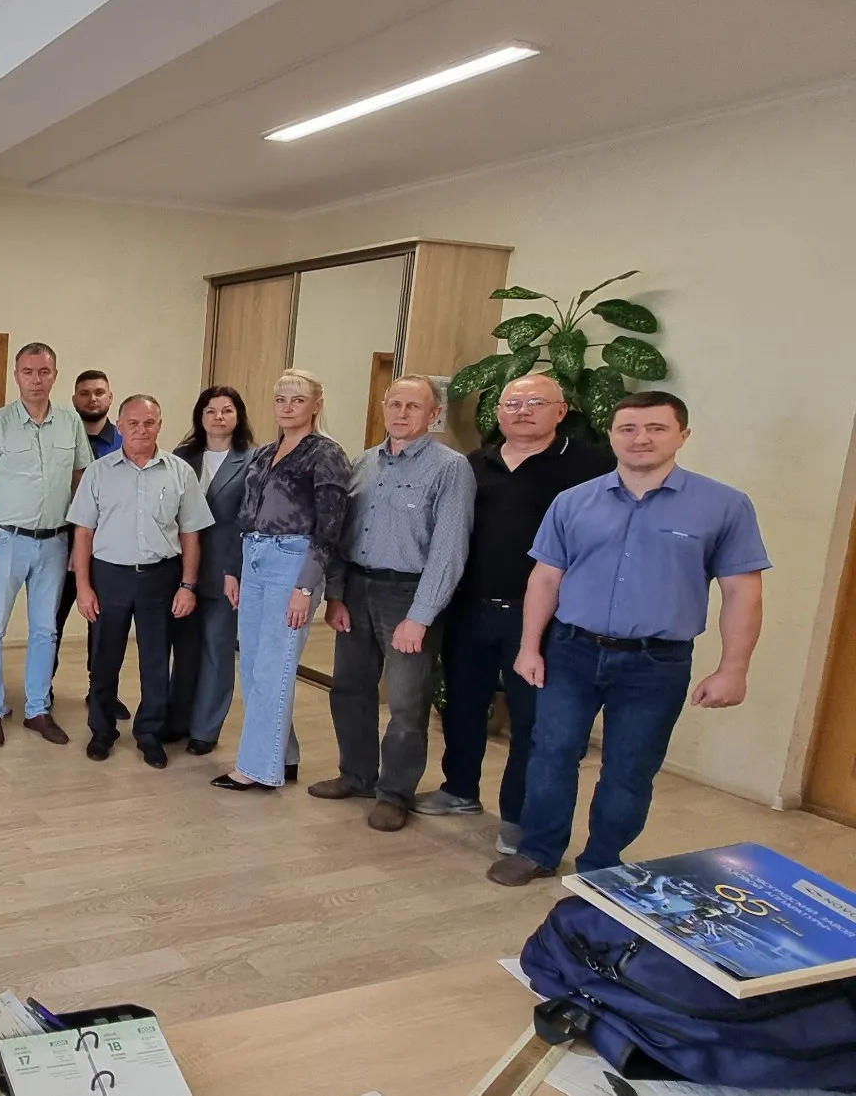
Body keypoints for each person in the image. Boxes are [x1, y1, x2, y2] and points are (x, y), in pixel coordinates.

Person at [488, 392, 769, 886]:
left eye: (656, 428)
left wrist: (733, 669)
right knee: (551, 754)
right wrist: (529, 647)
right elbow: (546, 578)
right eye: (628, 428)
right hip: (571, 652)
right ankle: (538, 850)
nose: (641, 438)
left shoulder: (723, 506)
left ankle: (602, 866)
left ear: (682, 435)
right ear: (613, 435)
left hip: (655, 663)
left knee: (629, 768)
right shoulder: (573, 501)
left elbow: (742, 591)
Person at [419, 374, 613, 849]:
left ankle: (518, 814)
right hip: (470, 607)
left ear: (561, 412)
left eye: (534, 403)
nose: (521, 411)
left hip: (543, 616)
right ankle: (459, 789)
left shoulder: (592, 466)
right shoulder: (472, 464)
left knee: (531, 718)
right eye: (511, 404)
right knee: (462, 705)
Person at [307, 376, 474, 831]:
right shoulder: (364, 463)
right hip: (356, 589)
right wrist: (336, 594)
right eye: (395, 404)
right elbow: (341, 535)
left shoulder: (450, 468)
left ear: (433, 414)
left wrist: (420, 616)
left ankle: (395, 794)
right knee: (349, 690)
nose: (401, 413)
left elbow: (449, 550)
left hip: (409, 594)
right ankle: (357, 776)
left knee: (405, 703)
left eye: (413, 406)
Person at [212, 369, 349, 792]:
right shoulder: (264, 452)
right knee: (254, 664)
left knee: (275, 665)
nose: (287, 407)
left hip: (293, 561)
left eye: (297, 399)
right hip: (254, 556)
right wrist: (233, 568)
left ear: (316, 405)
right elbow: (245, 513)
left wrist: (305, 587)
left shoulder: (326, 454)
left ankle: (257, 768)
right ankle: (282, 755)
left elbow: (331, 527)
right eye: (281, 399)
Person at [68, 394, 212, 766]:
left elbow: (191, 533)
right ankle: (102, 731)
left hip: (160, 578)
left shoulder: (179, 472)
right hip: (108, 577)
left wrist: (188, 585)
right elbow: (83, 532)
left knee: (155, 661)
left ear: (159, 425)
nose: (141, 430)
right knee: (104, 658)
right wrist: (83, 587)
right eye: (132, 423)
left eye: (149, 423)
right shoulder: (99, 472)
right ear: (120, 426)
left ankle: (149, 733)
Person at [0, 342, 92, 748]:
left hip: (55, 542)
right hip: (5, 540)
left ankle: (37, 709)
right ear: (16, 375)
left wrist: (79, 545)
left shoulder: (70, 423)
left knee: (45, 630)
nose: (36, 380)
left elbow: (81, 484)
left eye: (43, 371)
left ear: (54, 375)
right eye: (28, 371)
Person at [166, 387, 257, 755]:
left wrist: (236, 568)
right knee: (184, 648)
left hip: (226, 569)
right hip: (181, 568)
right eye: (211, 410)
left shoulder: (253, 460)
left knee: (217, 650)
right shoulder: (181, 457)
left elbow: (251, 520)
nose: (219, 417)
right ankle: (178, 720)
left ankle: (205, 728)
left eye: (227, 410)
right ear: (200, 417)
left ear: (238, 416)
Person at [53, 370, 122, 699]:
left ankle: (101, 694)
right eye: (84, 393)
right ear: (73, 400)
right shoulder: (61, 438)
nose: (92, 399)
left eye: (98, 392)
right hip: (62, 543)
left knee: (104, 625)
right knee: (52, 620)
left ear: (110, 397)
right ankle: (43, 690)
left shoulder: (125, 441)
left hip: (108, 547)